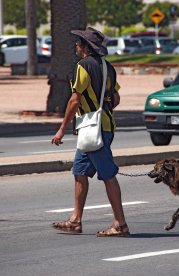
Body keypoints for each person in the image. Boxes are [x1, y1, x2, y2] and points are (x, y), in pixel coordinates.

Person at [51, 27, 129, 237]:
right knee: (80, 172)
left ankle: (120, 224)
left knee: (108, 176)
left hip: (93, 130)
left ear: (85, 47)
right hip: (103, 126)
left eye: (78, 43)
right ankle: (76, 221)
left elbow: (75, 99)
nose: (76, 46)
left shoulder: (82, 66)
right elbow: (117, 98)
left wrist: (61, 130)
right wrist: (103, 108)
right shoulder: (108, 67)